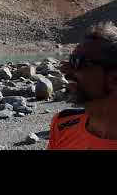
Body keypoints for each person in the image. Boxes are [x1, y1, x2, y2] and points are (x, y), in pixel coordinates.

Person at [47, 21, 117, 150]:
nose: (66, 71)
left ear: (114, 79)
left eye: (79, 62)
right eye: (71, 60)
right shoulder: (62, 124)